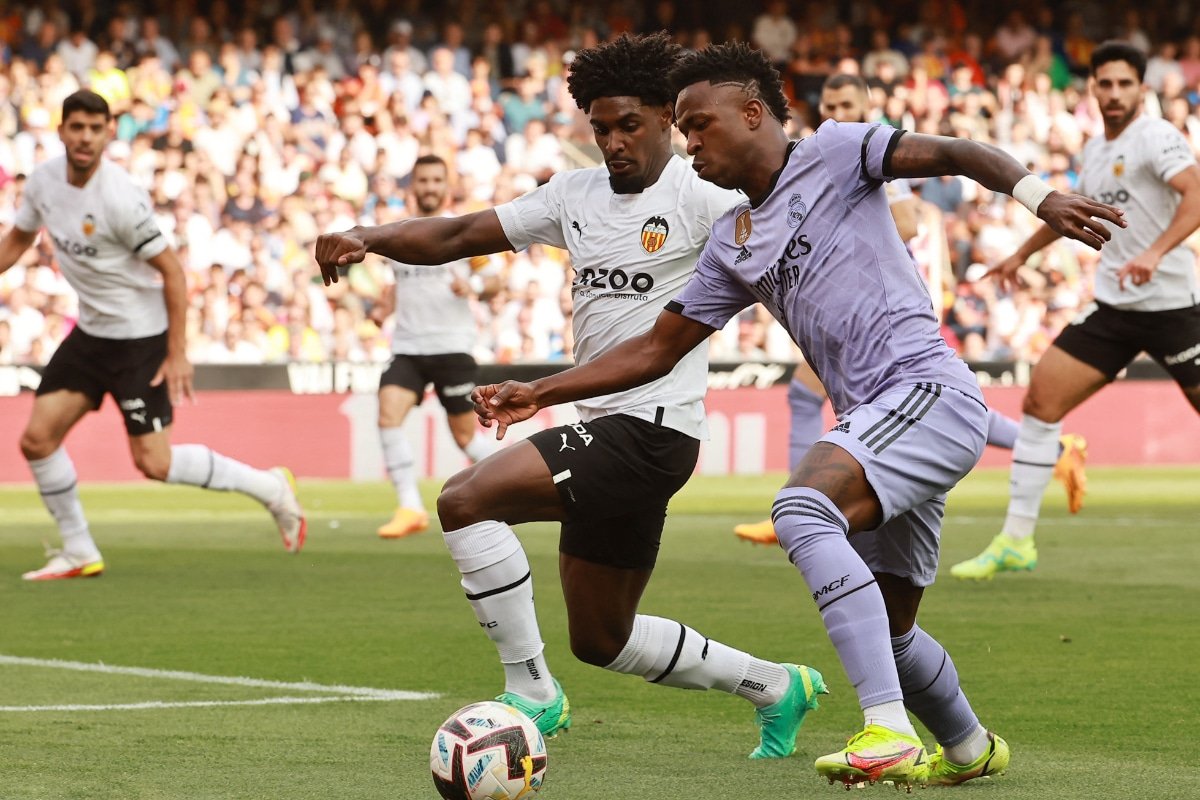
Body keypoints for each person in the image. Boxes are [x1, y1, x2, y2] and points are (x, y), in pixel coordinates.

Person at [473, 42, 1122, 788]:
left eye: (698, 125)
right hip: (880, 422)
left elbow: (959, 152)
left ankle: (886, 730)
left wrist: (1042, 197)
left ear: (753, 113)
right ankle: (971, 746)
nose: (689, 144)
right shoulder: (732, 242)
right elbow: (657, 348)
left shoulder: (839, 151)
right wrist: (544, 391)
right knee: (893, 625)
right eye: (683, 130)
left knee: (802, 509)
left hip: (926, 390)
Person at [315, 33, 827, 760]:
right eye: (600, 128)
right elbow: (461, 231)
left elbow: (782, 270)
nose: (614, 143)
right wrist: (368, 237)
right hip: (610, 428)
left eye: (629, 126)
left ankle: (530, 692)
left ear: (666, 121)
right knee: (602, 639)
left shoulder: (703, 199)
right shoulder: (573, 194)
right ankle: (777, 686)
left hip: (651, 431)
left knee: (465, 500)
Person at [733, 73, 1086, 546]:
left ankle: (798, 505)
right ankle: (1049, 446)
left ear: (868, 104)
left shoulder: (865, 154)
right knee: (839, 398)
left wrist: (834, 243)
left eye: (848, 104)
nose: (837, 113)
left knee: (820, 394)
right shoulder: (822, 159)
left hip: (885, 305)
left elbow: (908, 221)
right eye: (830, 104)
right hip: (848, 306)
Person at [0, 90, 306, 581]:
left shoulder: (120, 196)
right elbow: (19, 237)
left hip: (140, 340)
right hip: (92, 334)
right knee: (37, 441)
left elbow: (173, 272)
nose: (83, 137)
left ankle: (271, 487)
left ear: (107, 133)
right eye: (75, 127)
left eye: (94, 129)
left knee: (154, 462)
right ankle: (78, 549)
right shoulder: (42, 182)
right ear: (60, 131)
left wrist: (177, 352)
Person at [950, 41, 1200, 580]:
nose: (1113, 93)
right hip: (1114, 307)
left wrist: (1156, 254)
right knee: (1041, 399)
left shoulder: (1155, 136)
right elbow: (1074, 212)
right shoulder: (1093, 148)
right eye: (1104, 83)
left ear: (1142, 89)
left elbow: (1196, 193)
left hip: (1174, 307)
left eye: (1124, 84)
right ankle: (1016, 540)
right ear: (1092, 87)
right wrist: (1020, 253)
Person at [371, 154, 502, 539]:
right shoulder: (398, 233)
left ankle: (514, 486)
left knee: (465, 437)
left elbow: (493, 281)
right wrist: (385, 307)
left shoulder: (463, 231)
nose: (429, 187)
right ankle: (410, 506)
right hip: (408, 347)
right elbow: (403, 282)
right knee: (387, 415)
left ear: (446, 186)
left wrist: (473, 287)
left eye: (435, 181)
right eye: (423, 181)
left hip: (451, 348)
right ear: (413, 185)